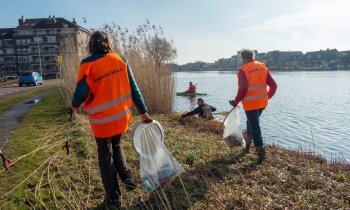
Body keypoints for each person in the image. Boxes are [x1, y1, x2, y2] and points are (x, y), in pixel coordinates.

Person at [71, 31, 152, 207]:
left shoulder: (88, 64)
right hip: (121, 117)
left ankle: (114, 196)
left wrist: (74, 105)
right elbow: (134, 88)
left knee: (104, 154)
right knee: (116, 144)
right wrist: (143, 112)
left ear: (91, 45)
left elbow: (81, 92)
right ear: (109, 43)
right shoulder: (120, 60)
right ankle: (128, 177)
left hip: (102, 121)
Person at [230, 49, 277, 163]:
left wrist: (236, 101)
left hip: (251, 104)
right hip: (262, 103)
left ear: (243, 58)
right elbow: (274, 86)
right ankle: (246, 148)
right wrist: (267, 97)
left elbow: (243, 88)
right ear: (253, 56)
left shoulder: (243, 70)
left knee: (255, 127)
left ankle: (261, 156)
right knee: (250, 123)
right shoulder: (262, 66)